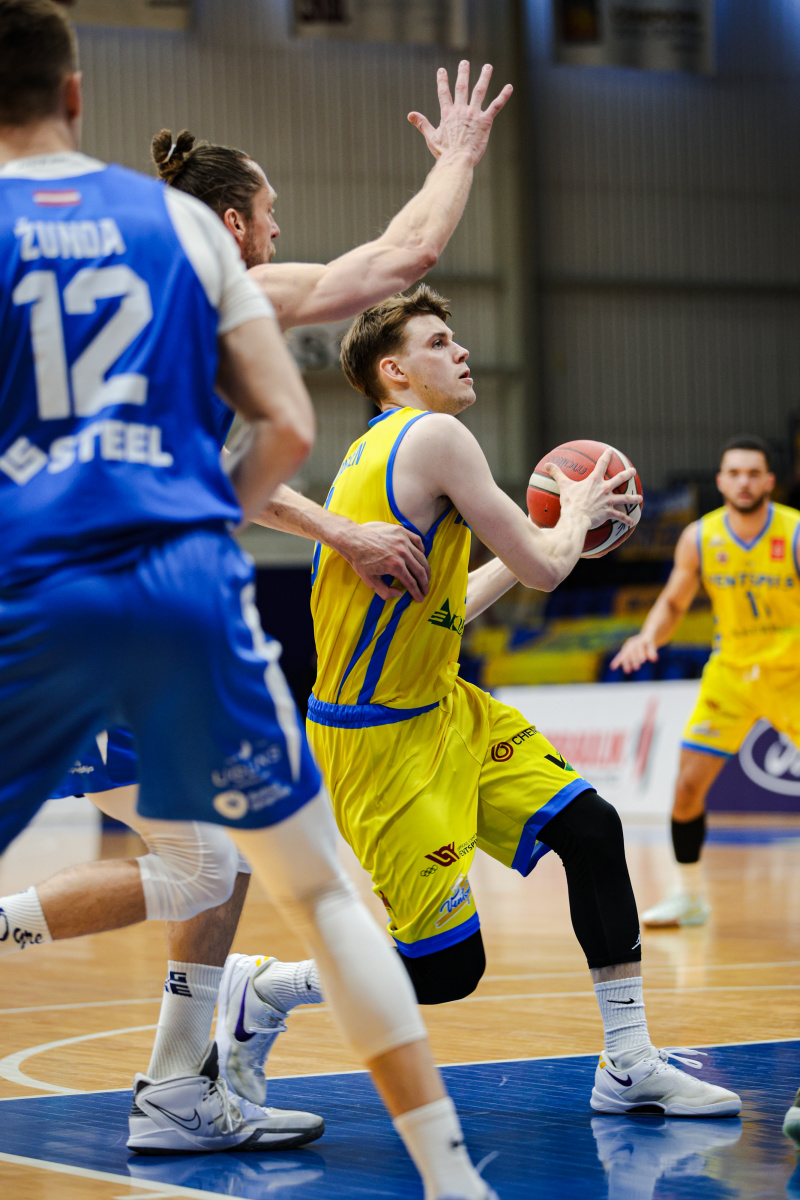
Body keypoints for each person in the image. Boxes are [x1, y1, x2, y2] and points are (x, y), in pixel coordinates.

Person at [0, 5, 504, 1195]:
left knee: (204, 868)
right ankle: (445, 1172)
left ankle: (179, 1093)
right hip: (151, 595)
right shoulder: (186, 249)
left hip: (37, 585)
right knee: (282, 881)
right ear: (74, 95)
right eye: (269, 214)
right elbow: (381, 280)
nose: (277, 229)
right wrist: (456, 156)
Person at [290, 284, 737, 1120]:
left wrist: (557, 535)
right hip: (376, 740)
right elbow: (544, 568)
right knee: (447, 971)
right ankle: (267, 989)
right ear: (394, 373)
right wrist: (577, 516)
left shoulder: (382, 455)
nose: (460, 351)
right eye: (437, 342)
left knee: (592, 828)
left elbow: (456, 599)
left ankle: (629, 1061)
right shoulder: (434, 436)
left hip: (443, 705)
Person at [610, 435, 800, 929]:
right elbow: (674, 602)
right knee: (687, 787)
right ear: (720, 481)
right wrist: (648, 636)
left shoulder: (795, 532)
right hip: (731, 675)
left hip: (792, 673)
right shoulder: (700, 537)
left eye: (753, 473)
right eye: (734, 473)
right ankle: (689, 897)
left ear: (769, 481)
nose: (744, 482)